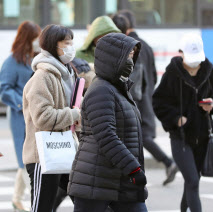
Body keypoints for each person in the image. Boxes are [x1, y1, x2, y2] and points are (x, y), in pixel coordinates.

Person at [67, 33, 148, 212]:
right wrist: (133, 169)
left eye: (132, 56)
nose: (131, 61)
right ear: (113, 58)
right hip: (95, 182)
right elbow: (106, 136)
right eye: (128, 56)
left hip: (120, 181)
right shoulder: (101, 91)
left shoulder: (118, 89)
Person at [153, 33, 213, 212]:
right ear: (181, 53)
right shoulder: (172, 72)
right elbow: (158, 102)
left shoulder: (210, 71)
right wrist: (176, 118)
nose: (195, 63)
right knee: (192, 180)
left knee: (192, 182)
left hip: (203, 136)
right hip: (180, 137)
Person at [22, 24, 80, 212]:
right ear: (53, 45)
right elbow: (43, 117)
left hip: (65, 149)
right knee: (42, 207)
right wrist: (73, 114)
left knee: (86, 198)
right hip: (43, 156)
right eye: (66, 43)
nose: (71, 47)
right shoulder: (42, 76)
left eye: (72, 42)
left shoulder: (68, 74)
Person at [118, 9, 178, 185]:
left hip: (136, 99)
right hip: (147, 97)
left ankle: (165, 163)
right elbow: (153, 74)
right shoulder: (147, 46)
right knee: (141, 137)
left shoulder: (129, 46)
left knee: (139, 137)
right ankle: (166, 163)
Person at [0, 21, 41, 212]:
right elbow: (4, 89)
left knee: (28, 157)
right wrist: (21, 104)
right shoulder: (11, 62)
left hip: (34, 116)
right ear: (27, 38)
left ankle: (17, 199)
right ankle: (35, 200)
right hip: (18, 116)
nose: (37, 42)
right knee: (24, 158)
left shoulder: (35, 58)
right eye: (34, 38)